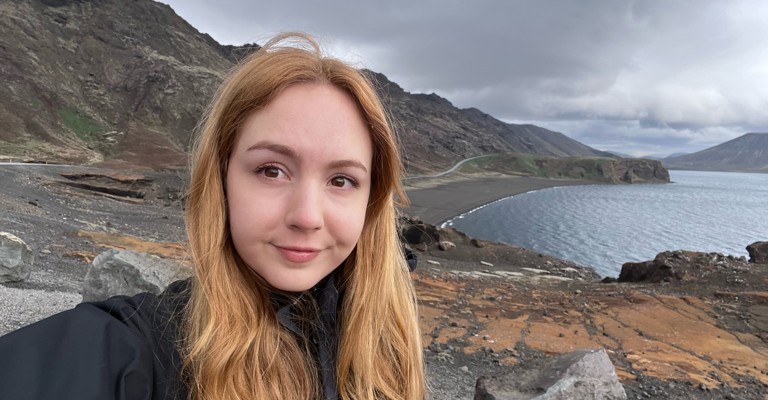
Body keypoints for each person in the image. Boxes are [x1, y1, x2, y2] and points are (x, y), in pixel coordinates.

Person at [0, 32, 425, 400]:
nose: (307, 216)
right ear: (220, 180)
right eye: (271, 171)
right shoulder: (137, 347)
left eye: (342, 180)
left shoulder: (392, 350)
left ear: (372, 199)